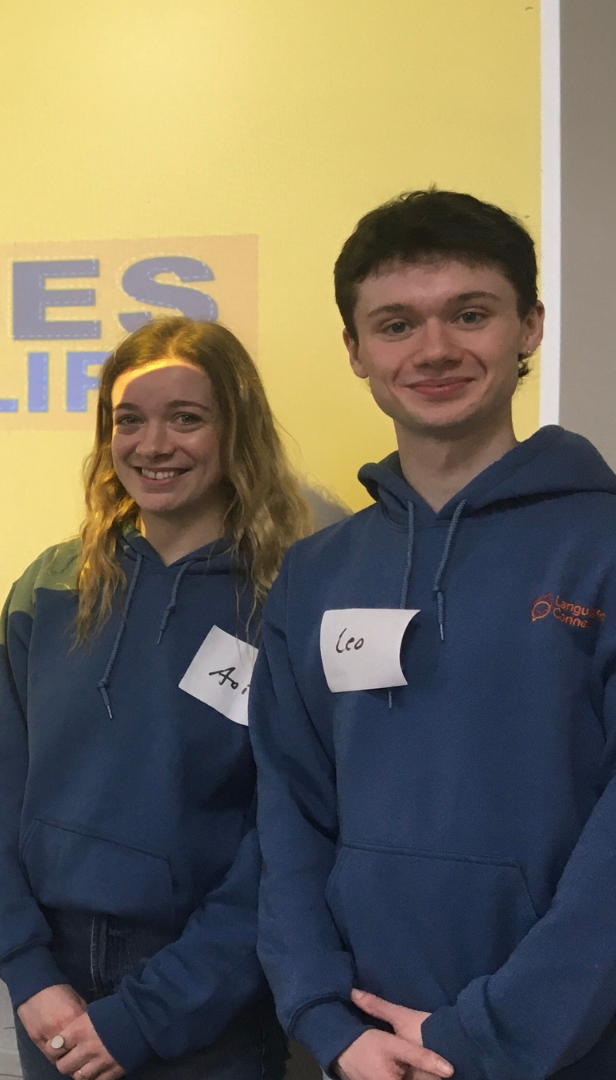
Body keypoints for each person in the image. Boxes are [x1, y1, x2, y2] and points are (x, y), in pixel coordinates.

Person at [252, 189, 616, 1080]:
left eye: (470, 313)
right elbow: (289, 814)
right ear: (356, 350)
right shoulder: (316, 574)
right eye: (396, 324)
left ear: (528, 327)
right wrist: (325, 1020)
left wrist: (488, 1035)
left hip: (564, 1048)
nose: (435, 349)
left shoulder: (600, 547)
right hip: (361, 1047)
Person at [0, 316, 309, 1080]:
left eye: (186, 418)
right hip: (52, 988)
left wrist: (155, 1012)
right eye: (130, 421)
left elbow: (288, 839)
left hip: (210, 997)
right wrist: (28, 970)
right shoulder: (52, 584)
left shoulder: (288, 598)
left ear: (235, 431)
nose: (154, 446)